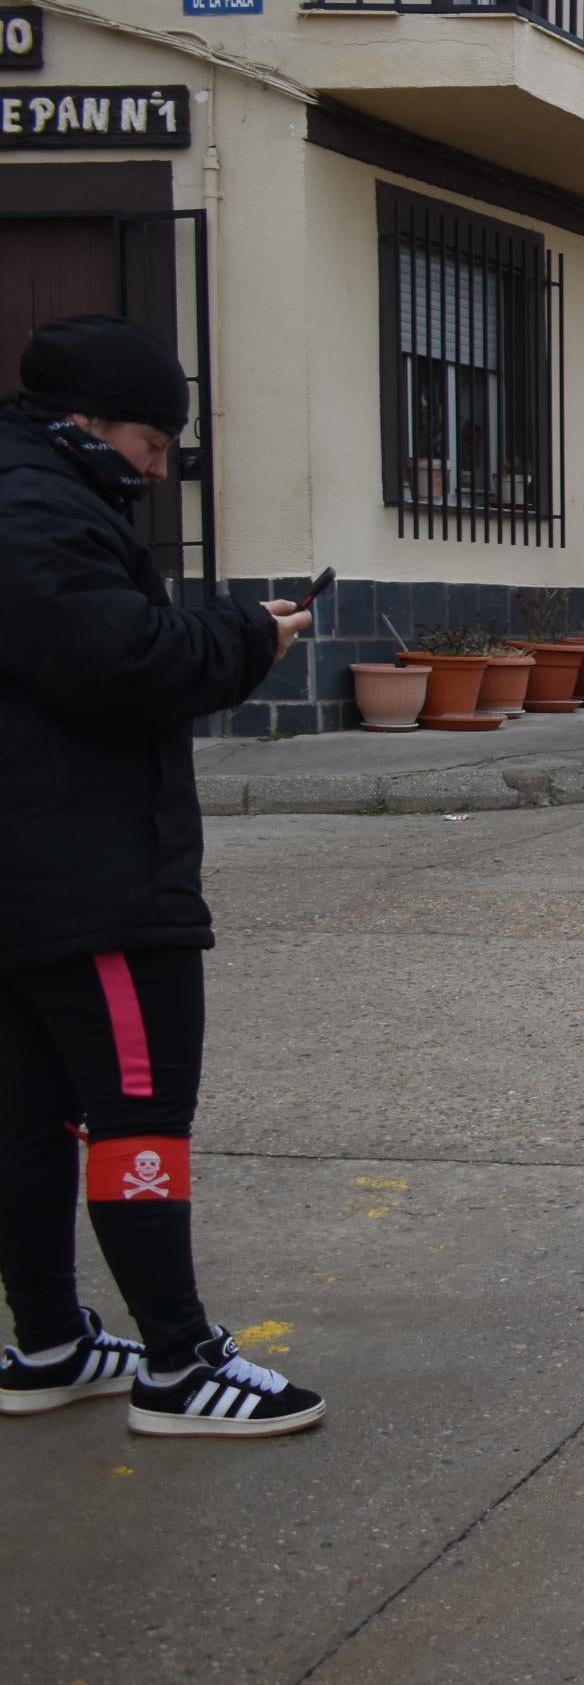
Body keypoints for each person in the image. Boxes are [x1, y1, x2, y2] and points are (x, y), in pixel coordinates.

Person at [0, 314, 326, 1436]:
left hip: (35, 870)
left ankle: (48, 1342)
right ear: (83, 421)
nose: (157, 468)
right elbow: (119, 663)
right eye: (149, 441)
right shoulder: (33, 510)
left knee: (28, 1116)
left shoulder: (34, 495)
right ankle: (180, 1365)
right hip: (84, 866)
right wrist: (244, 638)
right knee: (139, 1108)